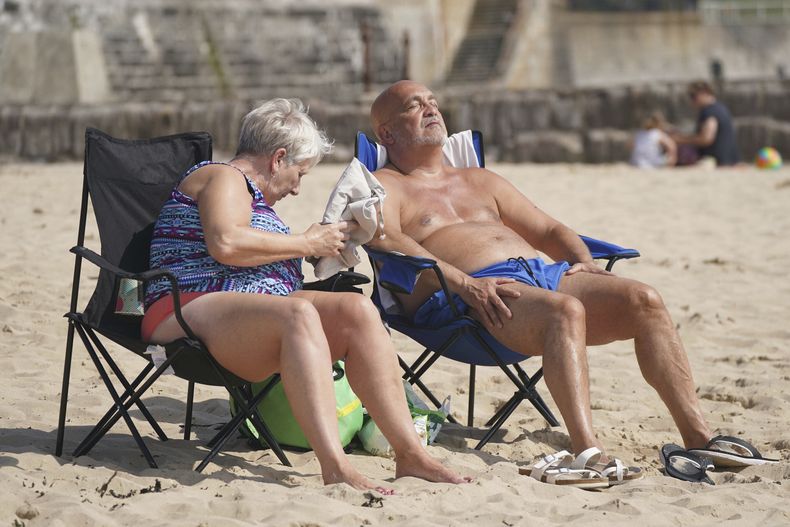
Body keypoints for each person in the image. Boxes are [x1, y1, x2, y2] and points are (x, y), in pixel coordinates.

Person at [367, 80, 774, 482]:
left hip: (541, 277)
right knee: (564, 311)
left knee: (643, 299)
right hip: (466, 298)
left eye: (433, 101)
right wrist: (462, 283)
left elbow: (547, 230)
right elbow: (384, 237)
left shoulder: (480, 180)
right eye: (413, 106)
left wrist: (584, 261)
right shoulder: (387, 184)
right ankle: (587, 452)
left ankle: (698, 437)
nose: (430, 109)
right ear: (386, 132)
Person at [141, 98, 469, 492]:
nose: (297, 188)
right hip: (186, 307)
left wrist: (316, 248)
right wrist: (304, 242)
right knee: (298, 314)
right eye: (299, 173)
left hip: (244, 313)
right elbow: (225, 243)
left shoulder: (253, 198)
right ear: (278, 158)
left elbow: (253, 250)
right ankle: (335, 465)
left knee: (357, 310)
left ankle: (411, 454)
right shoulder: (223, 178)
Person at [672, 80, 739, 166]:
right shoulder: (721, 108)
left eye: (693, 96)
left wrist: (680, 140)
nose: (692, 101)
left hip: (716, 161)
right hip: (730, 160)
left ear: (704, 93)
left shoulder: (709, 111)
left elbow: (706, 138)